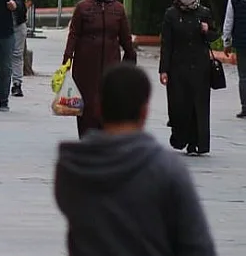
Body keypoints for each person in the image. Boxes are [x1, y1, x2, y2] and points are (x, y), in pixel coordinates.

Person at [54, 64, 216, 256]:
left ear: (98, 107)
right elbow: (197, 246)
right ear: (144, 112)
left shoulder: (71, 168)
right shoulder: (167, 170)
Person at [63, 0, 136, 137]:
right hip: (86, 63)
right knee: (87, 100)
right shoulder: (83, 7)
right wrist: (68, 57)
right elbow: (73, 33)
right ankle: (86, 136)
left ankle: (106, 134)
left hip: (111, 62)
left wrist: (130, 56)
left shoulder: (118, 9)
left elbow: (125, 36)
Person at [160, 0, 218, 155]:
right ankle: (179, 136)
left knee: (198, 106)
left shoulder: (204, 12)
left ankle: (196, 143)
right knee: (178, 105)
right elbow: (167, 43)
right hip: (178, 67)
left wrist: (207, 30)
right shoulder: (171, 14)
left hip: (200, 67)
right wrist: (164, 69)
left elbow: (214, 35)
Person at [2, 0, 38, 97]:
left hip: (18, 20)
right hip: (1, 21)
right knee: (1, 53)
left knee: (17, 53)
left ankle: (17, 83)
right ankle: (0, 80)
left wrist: (25, 7)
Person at [221, 0, 246, 118]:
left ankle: (245, 106)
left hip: (242, 42)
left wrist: (226, 41)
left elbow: (229, 19)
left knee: (243, 76)